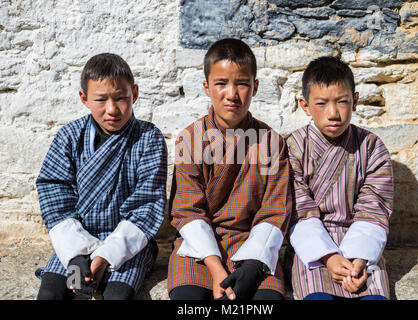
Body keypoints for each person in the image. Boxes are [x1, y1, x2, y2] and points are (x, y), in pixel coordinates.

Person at [35, 53, 167, 300]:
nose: (112, 109)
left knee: (117, 297)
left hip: (128, 247)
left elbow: (147, 205)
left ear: (135, 94)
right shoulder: (69, 137)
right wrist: (75, 255)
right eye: (101, 99)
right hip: (77, 244)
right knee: (51, 294)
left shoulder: (149, 138)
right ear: (84, 98)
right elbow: (55, 194)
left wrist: (105, 256)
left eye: (121, 98)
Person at [167, 38, 292, 300]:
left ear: (255, 87)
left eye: (242, 83)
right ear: (206, 87)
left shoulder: (271, 142)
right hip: (199, 250)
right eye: (221, 84)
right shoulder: (190, 139)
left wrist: (253, 266)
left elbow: (275, 210)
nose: (232, 94)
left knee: (267, 302)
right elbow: (187, 210)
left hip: (253, 245)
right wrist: (216, 269)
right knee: (187, 300)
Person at [287, 56, 393, 300]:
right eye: (321, 103)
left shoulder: (371, 147)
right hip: (314, 249)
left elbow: (374, 209)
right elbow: (298, 208)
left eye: (342, 102)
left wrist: (359, 260)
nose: (333, 113)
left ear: (355, 101)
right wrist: (328, 256)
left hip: (362, 248)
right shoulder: (293, 147)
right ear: (305, 105)